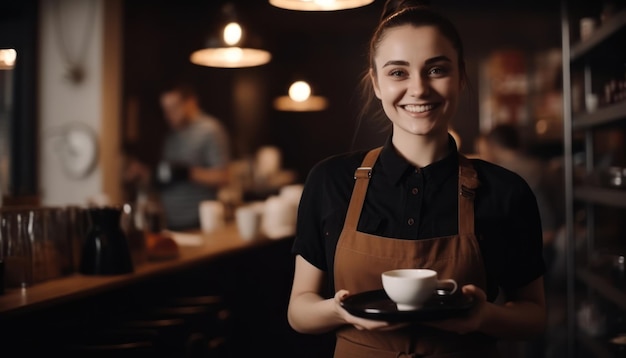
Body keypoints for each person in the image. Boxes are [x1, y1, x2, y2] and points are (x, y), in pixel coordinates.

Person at [287, 1, 547, 357]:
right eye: (398, 73)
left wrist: (484, 316)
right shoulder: (330, 181)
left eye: (437, 69)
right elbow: (299, 311)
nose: (419, 89)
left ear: (461, 76)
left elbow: (534, 316)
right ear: (376, 82)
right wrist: (338, 309)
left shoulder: (506, 191)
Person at [124, 83, 230, 231]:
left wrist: (188, 173)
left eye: (173, 107)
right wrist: (145, 173)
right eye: (165, 109)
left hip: (197, 221)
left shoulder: (210, 130)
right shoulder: (171, 135)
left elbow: (223, 177)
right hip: (169, 221)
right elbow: (167, 176)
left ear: (191, 102)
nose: (168, 114)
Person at [476, 124, 559, 261]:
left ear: (493, 147)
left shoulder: (501, 175)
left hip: (532, 250)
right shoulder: (541, 166)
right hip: (556, 241)